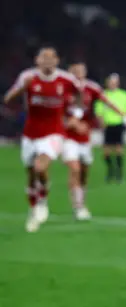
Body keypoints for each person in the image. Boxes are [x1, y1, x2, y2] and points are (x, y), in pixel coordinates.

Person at [3, 46, 85, 232]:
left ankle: (43, 200)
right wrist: (23, 88)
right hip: (30, 133)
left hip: (54, 132)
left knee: (41, 166)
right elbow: (8, 98)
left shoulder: (65, 79)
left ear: (57, 61)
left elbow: (81, 93)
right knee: (31, 175)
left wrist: (77, 115)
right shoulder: (27, 77)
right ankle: (35, 207)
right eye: (44, 58)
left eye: (51, 58)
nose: (47, 61)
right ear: (37, 61)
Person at [62, 62, 126, 220]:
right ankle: (78, 206)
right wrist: (71, 123)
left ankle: (82, 202)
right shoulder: (62, 89)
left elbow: (108, 103)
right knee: (74, 169)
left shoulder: (91, 88)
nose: (79, 74)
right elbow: (54, 112)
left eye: (82, 71)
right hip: (67, 137)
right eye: (76, 71)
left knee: (84, 172)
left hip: (85, 138)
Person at [95, 73, 126, 183]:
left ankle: (119, 173)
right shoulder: (103, 95)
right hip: (108, 125)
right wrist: (101, 122)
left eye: (114, 82)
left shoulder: (124, 95)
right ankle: (110, 170)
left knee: (119, 149)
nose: (112, 84)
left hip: (119, 124)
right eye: (110, 82)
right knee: (106, 151)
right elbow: (98, 111)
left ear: (117, 83)